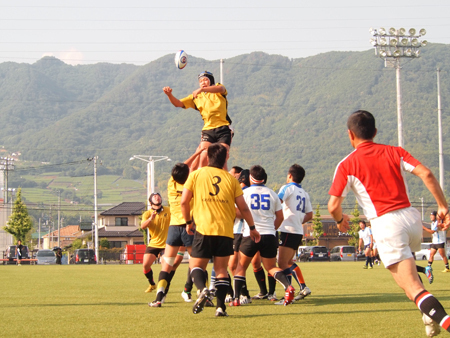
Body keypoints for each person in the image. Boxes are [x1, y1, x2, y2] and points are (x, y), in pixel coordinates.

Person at [328, 110, 450, 337]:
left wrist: (339, 220)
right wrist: (443, 206)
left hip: (386, 224)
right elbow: (427, 174)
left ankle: (442, 319)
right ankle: (427, 314)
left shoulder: (347, 164)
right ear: (374, 132)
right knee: (409, 285)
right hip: (411, 219)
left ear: (350, 135)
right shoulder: (395, 151)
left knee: (413, 288)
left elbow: (333, 206)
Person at [181, 143, 261, 317]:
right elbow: (244, 208)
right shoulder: (231, 179)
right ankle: (220, 308)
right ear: (225, 158)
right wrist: (253, 228)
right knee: (221, 271)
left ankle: (202, 290)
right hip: (225, 231)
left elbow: (183, 202)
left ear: (208, 157)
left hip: (204, 229)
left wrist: (188, 222)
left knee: (196, 266)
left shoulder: (195, 175)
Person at [232, 165, 295, 306]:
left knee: (241, 267)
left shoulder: (246, 193)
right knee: (271, 267)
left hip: (251, 234)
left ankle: (236, 299)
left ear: (250, 178)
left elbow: (237, 212)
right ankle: (287, 286)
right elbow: (280, 216)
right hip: (269, 235)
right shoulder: (272, 194)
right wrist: (272, 228)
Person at [149, 153, 200, 308]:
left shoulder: (171, 183)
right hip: (188, 226)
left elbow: (184, 167)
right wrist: (200, 152)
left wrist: (197, 152)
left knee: (167, 265)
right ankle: (202, 293)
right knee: (197, 263)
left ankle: (159, 297)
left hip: (173, 229)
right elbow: (193, 168)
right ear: (187, 175)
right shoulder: (191, 184)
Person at [163, 71, 233, 170]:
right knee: (203, 155)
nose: (203, 82)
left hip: (223, 128)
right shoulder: (196, 96)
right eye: (200, 81)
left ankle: (225, 181)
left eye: (205, 80)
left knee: (223, 156)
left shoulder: (217, 89)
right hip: (208, 130)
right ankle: (199, 179)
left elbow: (221, 89)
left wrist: (202, 89)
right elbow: (178, 103)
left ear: (211, 81)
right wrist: (169, 95)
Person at [277, 164, 313, 303]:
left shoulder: (287, 188)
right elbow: (309, 214)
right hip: (298, 230)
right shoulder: (304, 193)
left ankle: (298, 289)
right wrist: (298, 219)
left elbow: (277, 201)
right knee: (288, 262)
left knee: (282, 263)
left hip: (287, 229)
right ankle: (297, 289)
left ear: (290, 175)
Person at [141, 193, 171, 297]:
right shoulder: (147, 214)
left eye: (158, 196)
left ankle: (162, 289)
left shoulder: (168, 210)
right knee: (145, 265)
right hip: (154, 243)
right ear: (150, 202)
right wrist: (150, 219)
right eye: (154, 197)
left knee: (165, 266)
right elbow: (143, 226)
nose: (157, 197)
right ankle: (152, 284)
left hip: (167, 244)